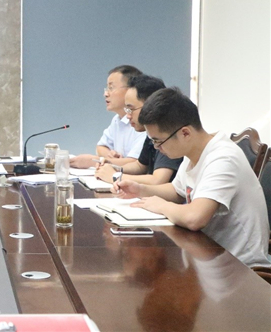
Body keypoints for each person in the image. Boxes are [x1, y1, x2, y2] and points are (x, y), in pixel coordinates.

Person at [113, 87, 270, 268]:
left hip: (241, 269)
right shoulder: (194, 151)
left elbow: (195, 218)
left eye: (158, 141)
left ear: (185, 133)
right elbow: (177, 191)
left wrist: (161, 206)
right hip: (209, 256)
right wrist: (140, 189)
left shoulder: (223, 158)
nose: (157, 148)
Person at [95, 75, 183, 185]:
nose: (128, 116)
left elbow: (158, 180)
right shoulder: (151, 133)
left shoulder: (168, 133)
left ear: (150, 106)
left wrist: (114, 176)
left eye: (131, 109)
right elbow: (140, 166)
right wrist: (113, 167)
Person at [71, 65, 146, 168]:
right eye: (107, 88)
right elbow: (100, 147)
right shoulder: (117, 119)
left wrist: (95, 161)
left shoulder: (142, 122)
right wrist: (109, 155)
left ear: (131, 90)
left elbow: (136, 163)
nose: (106, 94)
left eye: (111, 88)